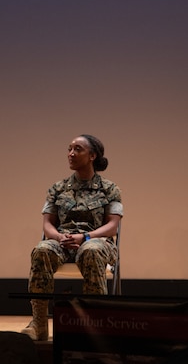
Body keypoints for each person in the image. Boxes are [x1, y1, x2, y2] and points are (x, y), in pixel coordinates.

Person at [22, 134, 123, 341]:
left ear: (92, 155)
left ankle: (93, 324)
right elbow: (48, 224)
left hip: (96, 242)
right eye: (69, 149)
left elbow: (112, 226)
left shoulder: (109, 189)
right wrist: (59, 237)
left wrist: (84, 237)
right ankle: (39, 323)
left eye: (77, 149)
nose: (71, 154)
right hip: (63, 241)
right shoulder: (57, 188)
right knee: (42, 250)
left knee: (91, 250)